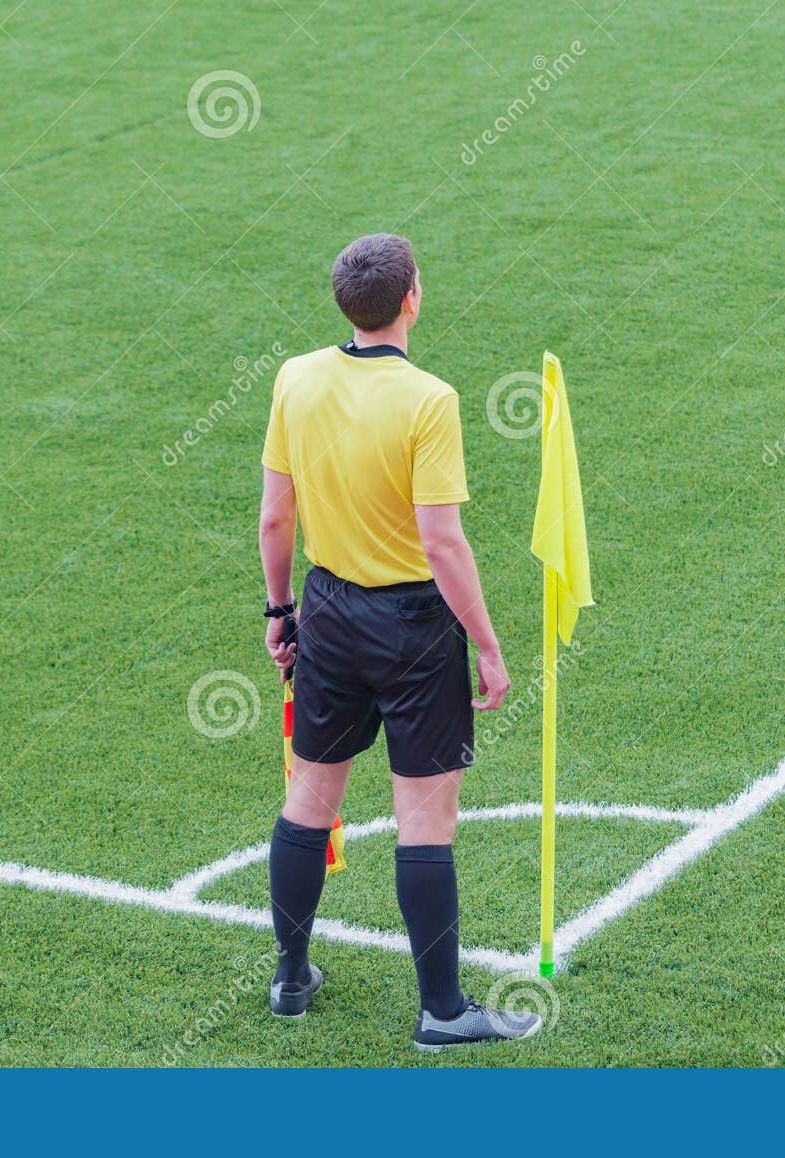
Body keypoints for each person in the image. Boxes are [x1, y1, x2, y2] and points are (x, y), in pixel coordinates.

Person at [257, 232, 541, 1051]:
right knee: (424, 816)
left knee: (310, 800)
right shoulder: (429, 399)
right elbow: (443, 542)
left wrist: (282, 614)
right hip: (414, 626)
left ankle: (290, 977)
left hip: (330, 612)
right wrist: (487, 644)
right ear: (412, 297)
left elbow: (277, 515)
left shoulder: (295, 378)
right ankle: (442, 1011)